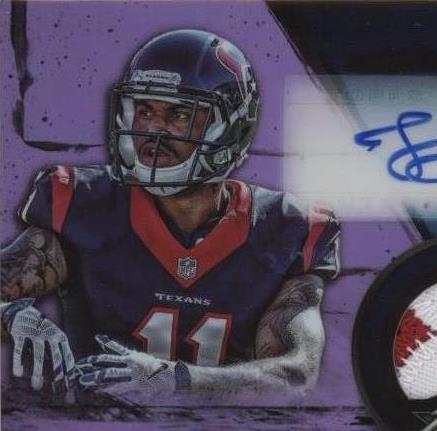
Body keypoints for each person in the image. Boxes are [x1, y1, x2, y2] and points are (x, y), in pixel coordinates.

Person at [0, 29, 340, 399]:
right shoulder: (84, 204)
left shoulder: (286, 228)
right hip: (96, 429)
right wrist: (14, 315)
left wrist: (176, 382)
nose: (153, 130)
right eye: (144, 111)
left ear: (232, 127)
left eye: (179, 114)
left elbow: (296, 376)